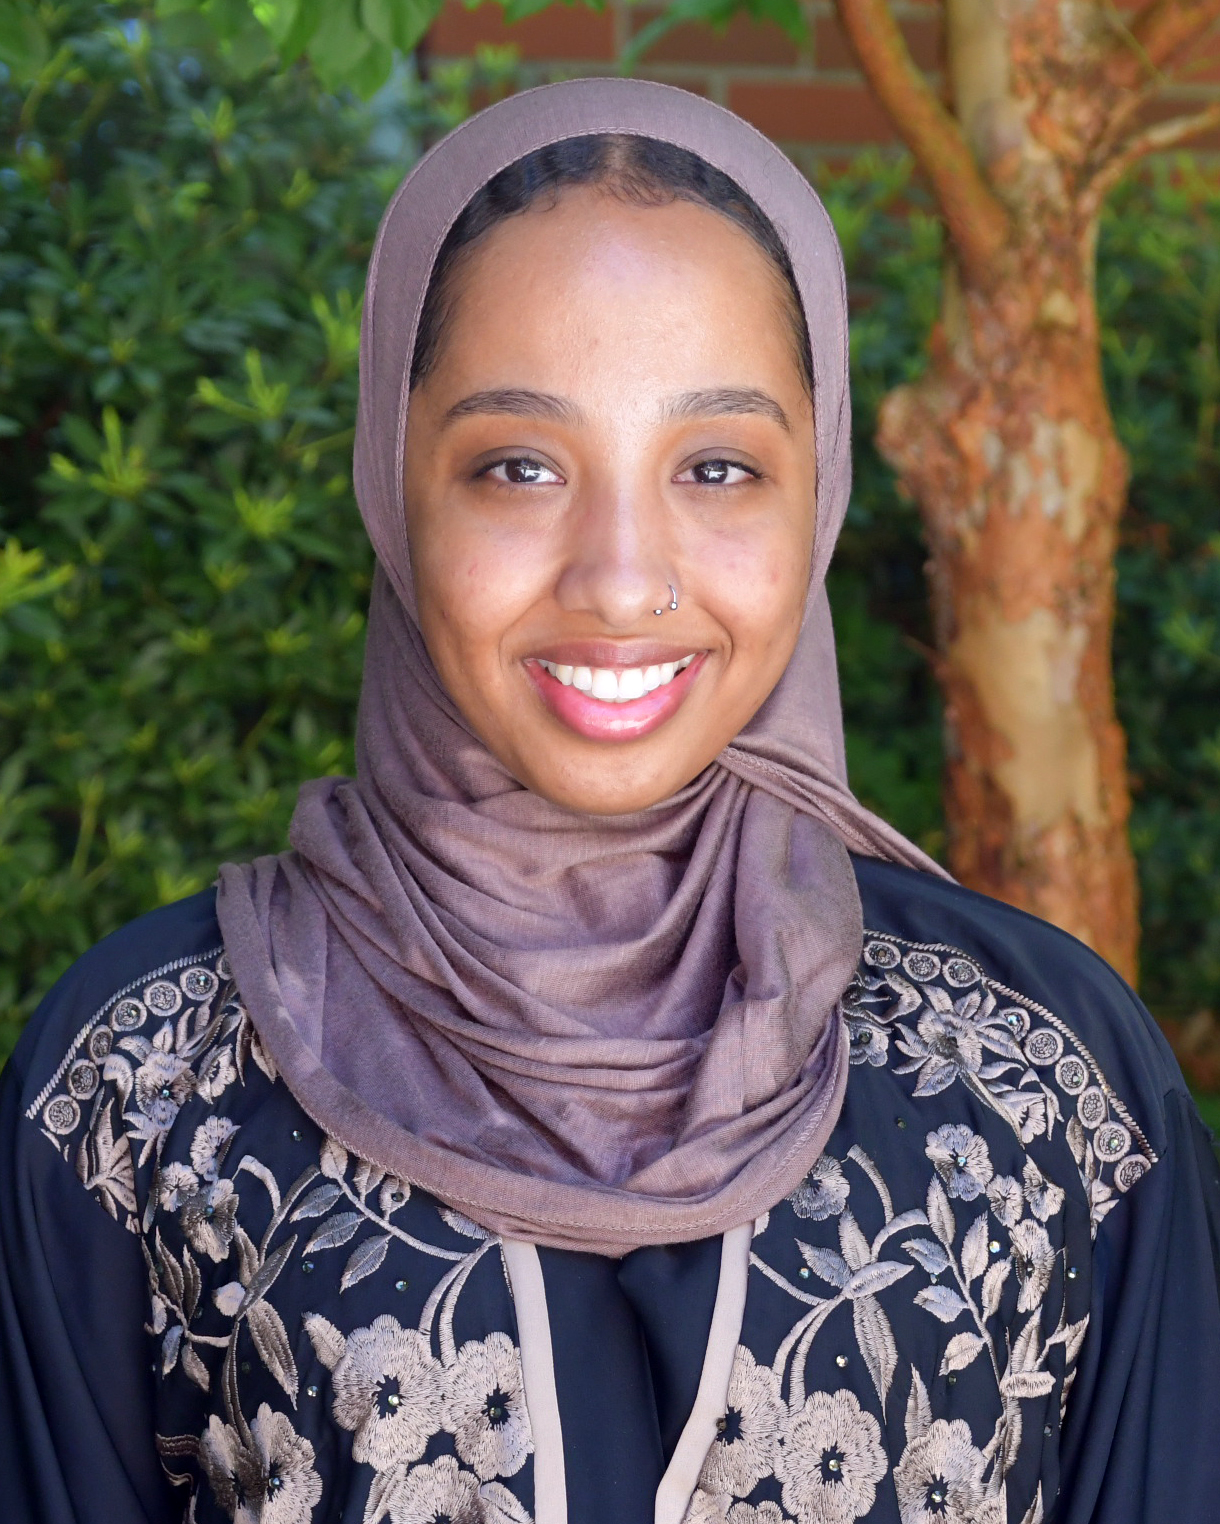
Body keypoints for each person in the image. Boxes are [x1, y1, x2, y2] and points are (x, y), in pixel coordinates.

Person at [1, 76, 1217, 1524]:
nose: (624, 579)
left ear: (818, 491)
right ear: (394, 484)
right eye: (519, 467)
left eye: (719, 467)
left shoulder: (1048, 1089)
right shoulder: (135, 1096)